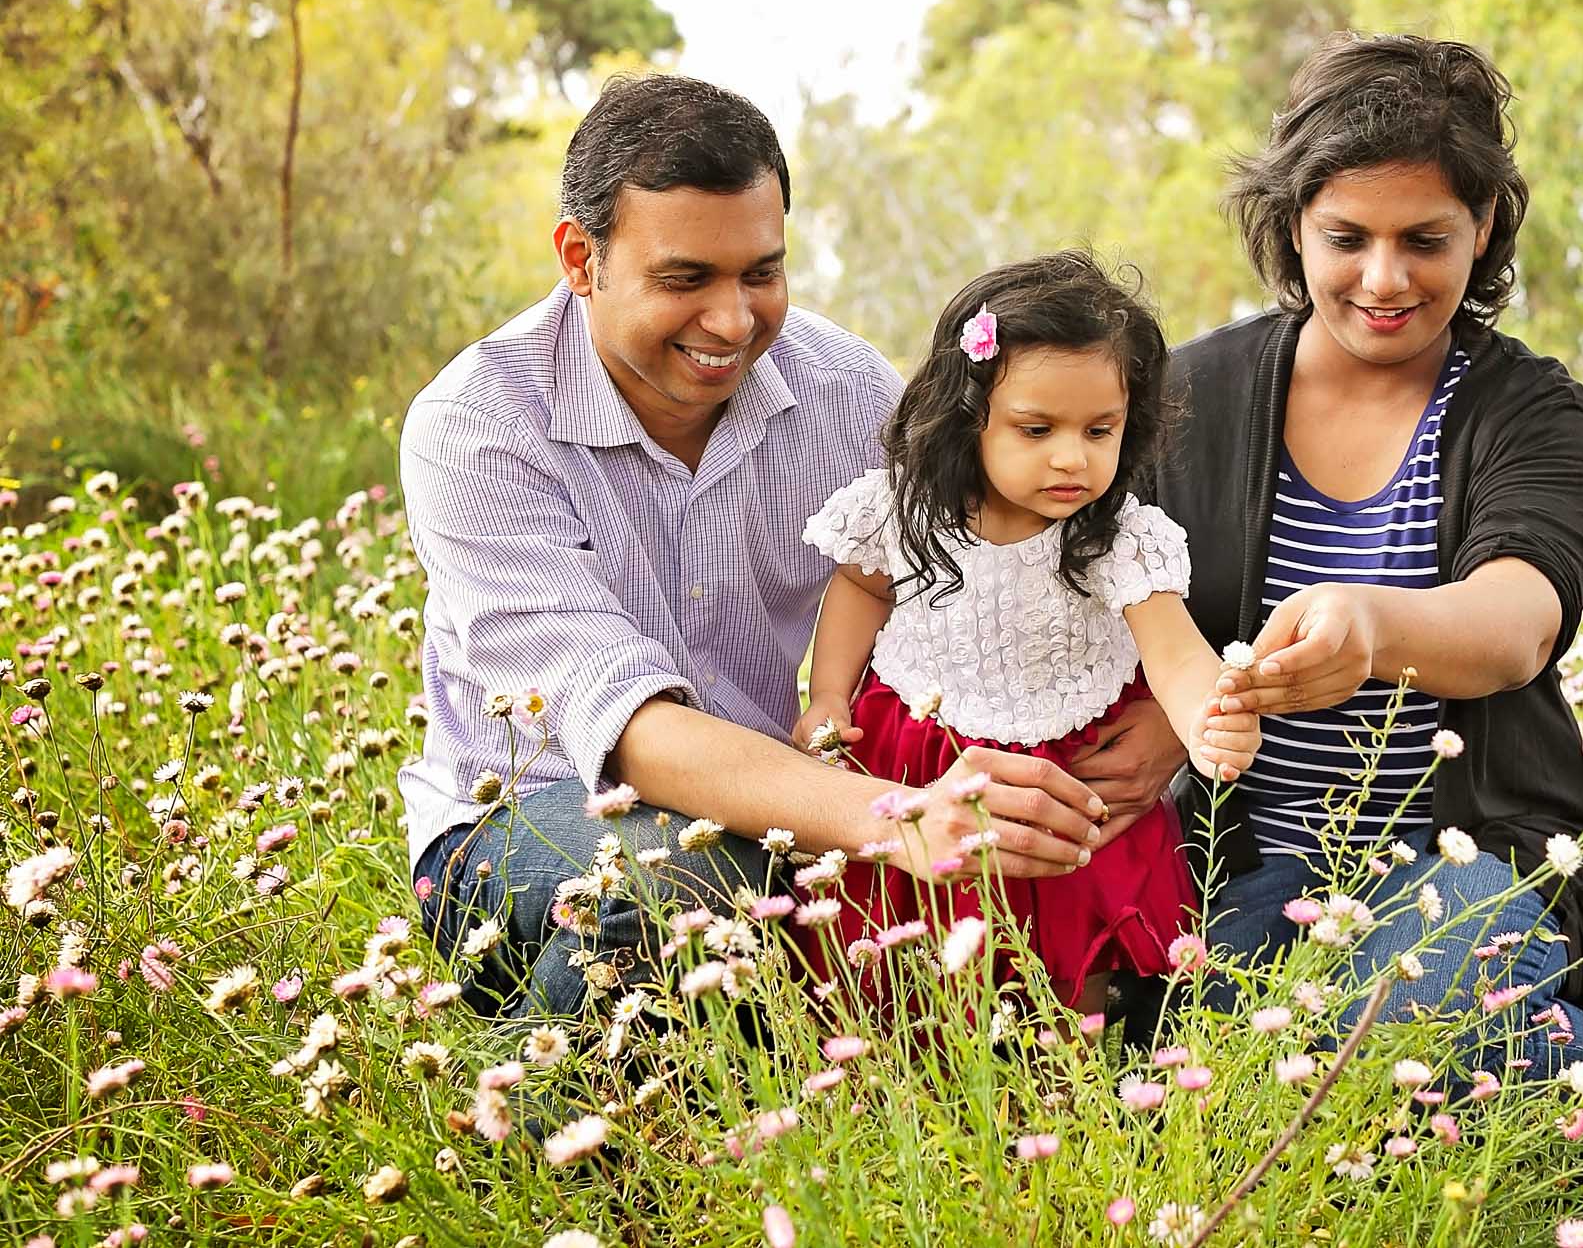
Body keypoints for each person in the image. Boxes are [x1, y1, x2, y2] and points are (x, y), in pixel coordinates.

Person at [399, 75, 1186, 1018]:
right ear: (581, 258)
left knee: (880, 952)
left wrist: (1166, 716)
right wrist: (897, 819)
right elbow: (623, 721)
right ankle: (554, 1121)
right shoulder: (478, 425)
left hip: (786, 801)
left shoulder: (842, 386)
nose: (733, 322)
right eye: (684, 279)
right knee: (676, 891)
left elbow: (1025, 539)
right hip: (533, 812)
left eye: (760, 273)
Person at [1152, 32, 1583, 1075]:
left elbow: (1514, 624)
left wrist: (1371, 629)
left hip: (1478, 855)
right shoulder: (1188, 397)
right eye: (1345, 237)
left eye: (1425, 239)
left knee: (1392, 1012)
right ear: (1293, 228)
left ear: (1484, 225)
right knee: (1228, 1059)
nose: (1383, 278)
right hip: (1244, 861)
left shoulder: (1530, 411)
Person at [794, 252, 1260, 1009]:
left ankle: (1065, 1098)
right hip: (921, 755)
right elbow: (858, 585)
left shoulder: (1119, 538)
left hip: (1072, 769)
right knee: (905, 955)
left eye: (1099, 429)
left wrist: (1213, 717)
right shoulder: (903, 511)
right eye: (1036, 429)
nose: (1072, 457)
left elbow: (1174, 654)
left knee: (1069, 955)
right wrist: (830, 695)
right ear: (968, 416)